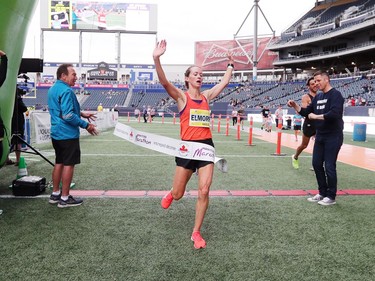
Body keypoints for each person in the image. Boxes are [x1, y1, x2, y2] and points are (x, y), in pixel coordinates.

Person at [153, 40, 234, 249]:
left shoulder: (206, 96)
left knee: (204, 190)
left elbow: (223, 83)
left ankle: (196, 232)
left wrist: (230, 65)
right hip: (187, 148)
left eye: (201, 74)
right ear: (187, 78)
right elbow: (164, 83)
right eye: (195, 73)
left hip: (206, 147)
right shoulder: (182, 97)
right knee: (179, 194)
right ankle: (172, 193)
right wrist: (156, 58)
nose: (200, 76)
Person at [287, 71, 344, 206]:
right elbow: (306, 112)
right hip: (320, 135)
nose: (316, 83)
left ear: (326, 79)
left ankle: (331, 196)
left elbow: (335, 113)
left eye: (318, 81)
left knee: (329, 166)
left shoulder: (336, 95)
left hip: (333, 135)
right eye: (315, 81)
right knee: (316, 164)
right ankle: (322, 192)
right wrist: (295, 105)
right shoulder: (318, 97)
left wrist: (317, 117)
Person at [47, 64, 98, 208]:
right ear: (63, 76)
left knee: (59, 163)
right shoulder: (67, 91)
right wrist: (86, 125)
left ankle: (55, 194)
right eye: (73, 74)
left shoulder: (52, 89)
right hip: (67, 134)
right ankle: (64, 198)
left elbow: (61, 109)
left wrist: (81, 113)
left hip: (56, 132)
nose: (76, 77)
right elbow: (68, 115)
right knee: (69, 164)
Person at [292, 77, 318, 169]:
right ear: (308, 86)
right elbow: (305, 112)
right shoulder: (306, 97)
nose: (315, 85)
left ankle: (316, 164)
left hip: (319, 124)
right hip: (309, 124)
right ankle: (295, 157)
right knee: (304, 145)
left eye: (315, 83)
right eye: (312, 84)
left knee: (319, 144)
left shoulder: (321, 96)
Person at [7, 87, 28, 165]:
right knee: (17, 141)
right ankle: (18, 160)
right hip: (17, 122)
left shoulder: (7, 96)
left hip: (8, 121)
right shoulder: (17, 98)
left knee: (7, 140)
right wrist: (19, 98)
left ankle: (6, 159)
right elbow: (24, 108)